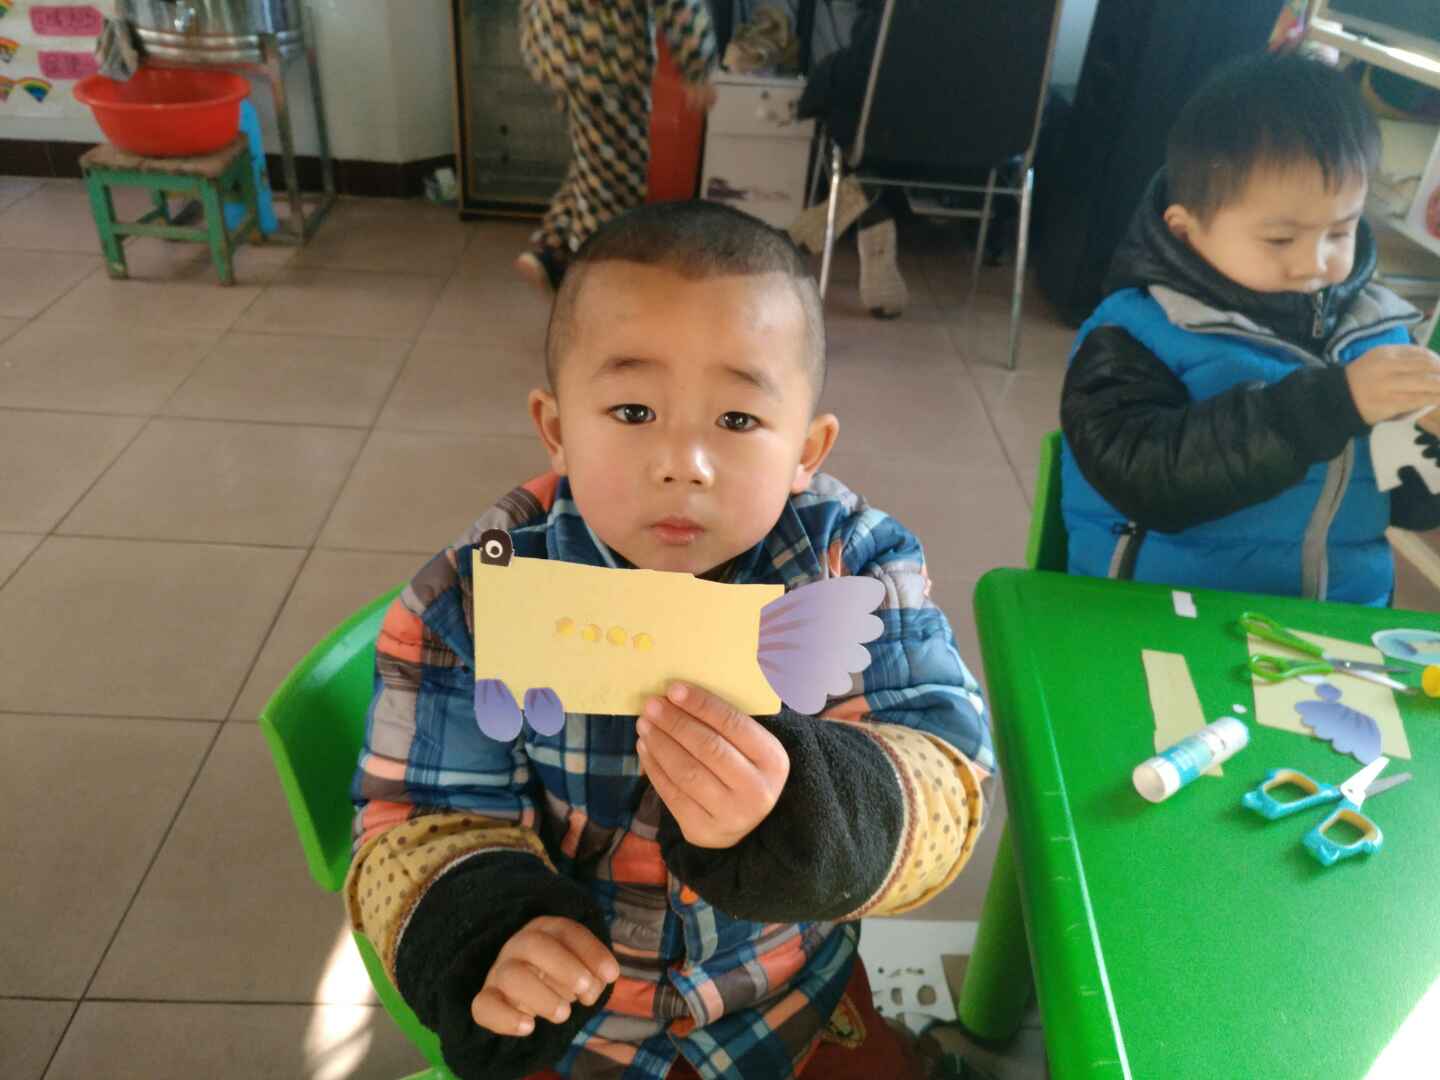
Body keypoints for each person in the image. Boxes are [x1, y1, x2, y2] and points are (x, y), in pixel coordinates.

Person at [346, 201, 994, 1080]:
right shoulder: (469, 602)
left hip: (789, 1004)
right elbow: (413, 821)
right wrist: (487, 932)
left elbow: (949, 779)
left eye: (737, 421)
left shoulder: (851, 566)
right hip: (580, 1033)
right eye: (632, 409)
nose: (683, 462)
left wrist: (802, 808)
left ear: (807, 449)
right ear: (556, 429)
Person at [1060, 53, 1440, 606]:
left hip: (1330, 621)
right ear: (1186, 230)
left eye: (1340, 232)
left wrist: (1430, 441)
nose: (1314, 262)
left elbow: (1410, 505)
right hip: (1161, 612)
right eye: (1280, 239)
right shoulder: (1134, 333)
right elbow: (1147, 481)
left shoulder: (1378, 333)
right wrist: (1333, 403)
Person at [514, 0, 719, 293]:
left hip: (560, 46)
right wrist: (698, 64)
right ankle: (592, 278)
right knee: (615, 180)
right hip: (606, 63)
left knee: (593, 162)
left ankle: (553, 253)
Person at [791, 0, 910, 319]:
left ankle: (865, 199)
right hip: (987, 153)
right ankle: (868, 194)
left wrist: (811, 96)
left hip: (884, 136)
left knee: (850, 94)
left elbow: (861, 66)